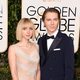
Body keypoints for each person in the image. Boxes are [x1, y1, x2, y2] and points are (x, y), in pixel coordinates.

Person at [38, 8, 74, 80]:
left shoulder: (67, 40)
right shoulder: (40, 40)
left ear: (59, 21)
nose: (52, 23)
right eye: (48, 20)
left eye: (55, 19)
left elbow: (69, 68)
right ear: (44, 22)